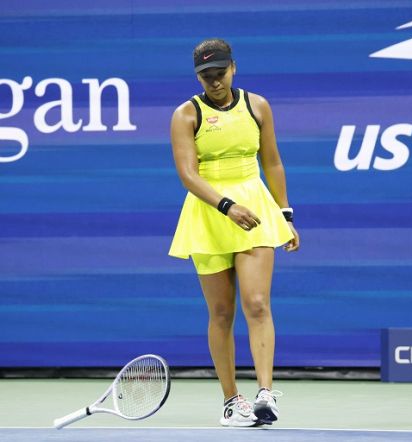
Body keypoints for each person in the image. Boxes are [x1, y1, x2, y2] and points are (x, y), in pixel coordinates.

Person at [168, 38, 300, 427]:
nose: (214, 81)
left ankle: (264, 394)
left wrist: (285, 214)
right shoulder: (185, 114)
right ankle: (231, 401)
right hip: (209, 212)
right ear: (197, 76)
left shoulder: (257, 106)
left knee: (257, 303)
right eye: (206, 75)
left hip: (256, 208)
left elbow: (272, 162)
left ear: (234, 68)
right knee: (221, 312)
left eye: (220, 73)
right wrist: (226, 205)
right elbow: (188, 175)